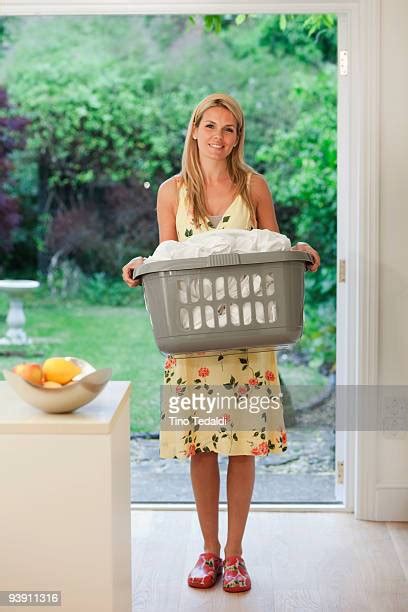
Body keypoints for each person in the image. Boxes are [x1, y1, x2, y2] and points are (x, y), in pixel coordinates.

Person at [122, 93, 320, 593]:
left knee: (244, 447)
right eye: (210, 126)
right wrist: (140, 266)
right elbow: (166, 253)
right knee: (203, 449)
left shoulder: (253, 186)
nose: (219, 137)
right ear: (194, 130)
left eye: (229, 129)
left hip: (248, 336)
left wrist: (297, 250)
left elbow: (271, 250)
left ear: (238, 136)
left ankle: (235, 555)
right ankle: (207, 551)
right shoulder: (171, 191)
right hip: (193, 339)